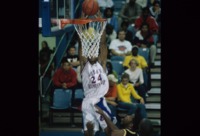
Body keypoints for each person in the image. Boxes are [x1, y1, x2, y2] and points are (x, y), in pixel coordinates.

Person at [78, 13, 117, 136]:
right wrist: (81, 23)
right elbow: (81, 45)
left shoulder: (102, 64)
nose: (92, 54)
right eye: (89, 52)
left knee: (109, 131)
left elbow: (103, 44)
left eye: (95, 52)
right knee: (88, 132)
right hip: (87, 102)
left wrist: (102, 23)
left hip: (99, 101)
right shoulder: (84, 65)